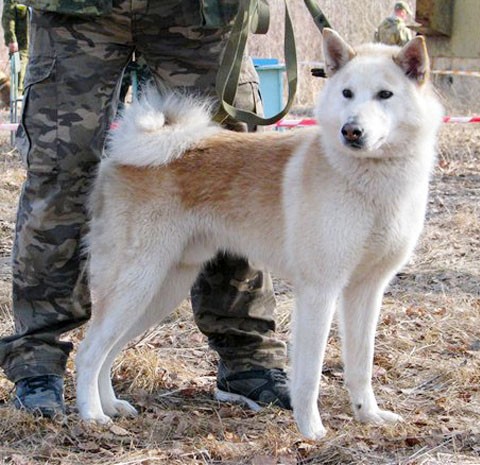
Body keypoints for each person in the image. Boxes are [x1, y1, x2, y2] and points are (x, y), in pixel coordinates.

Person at [0, 0, 290, 418]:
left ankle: (248, 359)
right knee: (58, 173)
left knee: (232, 166)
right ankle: (36, 362)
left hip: (199, 9)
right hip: (74, 10)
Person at [1, 0, 29, 93]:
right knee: (19, 75)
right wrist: (11, 39)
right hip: (21, 46)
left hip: (36, 44)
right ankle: (18, 97)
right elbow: (8, 18)